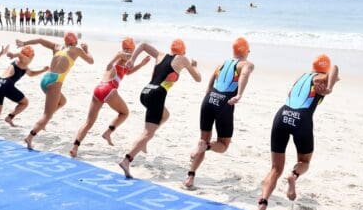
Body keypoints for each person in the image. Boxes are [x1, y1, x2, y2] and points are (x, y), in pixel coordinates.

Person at [253, 55, 339, 210]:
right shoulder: (322, 78)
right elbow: (335, 69)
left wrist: (332, 80)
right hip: (302, 119)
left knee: (275, 168)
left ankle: (262, 203)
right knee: (304, 162)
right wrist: (330, 88)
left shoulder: (303, 77)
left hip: (282, 115)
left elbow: (334, 75)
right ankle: (293, 175)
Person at [118, 39, 202, 178]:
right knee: (148, 132)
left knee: (165, 115)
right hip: (157, 95)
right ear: (183, 51)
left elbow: (143, 45)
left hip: (146, 92)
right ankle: (126, 160)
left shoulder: (160, 55)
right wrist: (194, 66)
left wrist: (133, 59)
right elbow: (198, 78)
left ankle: (143, 141)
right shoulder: (183, 59)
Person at [184, 37, 255, 189]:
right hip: (224, 104)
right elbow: (244, 75)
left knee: (203, 139)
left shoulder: (222, 64)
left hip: (209, 100)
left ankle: (190, 177)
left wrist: (209, 98)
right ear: (247, 51)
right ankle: (206, 147)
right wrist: (239, 94)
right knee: (223, 145)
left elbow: (210, 84)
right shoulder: (246, 64)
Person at [69, 37, 151, 157]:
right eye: (130, 49)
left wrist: (141, 64)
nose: (130, 52)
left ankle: (75, 147)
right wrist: (134, 54)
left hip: (98, 89)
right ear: (129, 48)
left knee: (89, 122)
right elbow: (125, 56)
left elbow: (127, 72)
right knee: (124, 113)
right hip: (109, 89)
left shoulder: (122, 60)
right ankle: (108, 132)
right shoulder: (122, 55)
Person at [16, 32, 94, 149]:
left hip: (45, 79)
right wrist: (86, 50)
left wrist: (24, 43)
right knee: (46, 115)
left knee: (62, 102)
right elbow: (91, 61)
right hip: (55, 82)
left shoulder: (57, 46)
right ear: (75, 41)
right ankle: (30, 137)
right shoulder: (76, 50)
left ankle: (44, 121)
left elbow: (40, 40)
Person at [0, 46, 48, 135]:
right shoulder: (24, 60)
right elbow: (21, 55)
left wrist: (43, 70)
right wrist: (14, 54)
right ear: (30, 56)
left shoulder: (23, 65)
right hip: (6, 84)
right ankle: (10, 117)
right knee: (24, 103)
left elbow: (31, 74)